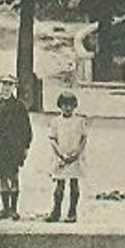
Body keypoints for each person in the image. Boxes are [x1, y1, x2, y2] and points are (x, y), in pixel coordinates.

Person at [0, 75, 32, 221]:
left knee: (14, 176)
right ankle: (5, 208)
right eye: (4, 84)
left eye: (10, 84)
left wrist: (25, 146)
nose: (7, 87)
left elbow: (26, 129)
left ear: (15, 87)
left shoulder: (19, 107)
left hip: (14, 146)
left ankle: (14, 209)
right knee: (3, 177)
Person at [47, 91, 89, 222]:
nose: (67, 108)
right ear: (60, 105)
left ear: (75, 106)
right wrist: (61, 154)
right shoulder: (55, 121)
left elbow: (83, 138)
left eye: (70, 105)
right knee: (59, 186)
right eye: (65, 105)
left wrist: (77, 153)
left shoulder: (79, 121)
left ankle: (72, 212)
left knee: (74, 184)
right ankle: (56, 211)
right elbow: (53, 140)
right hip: (61, 157)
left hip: (75, 157)